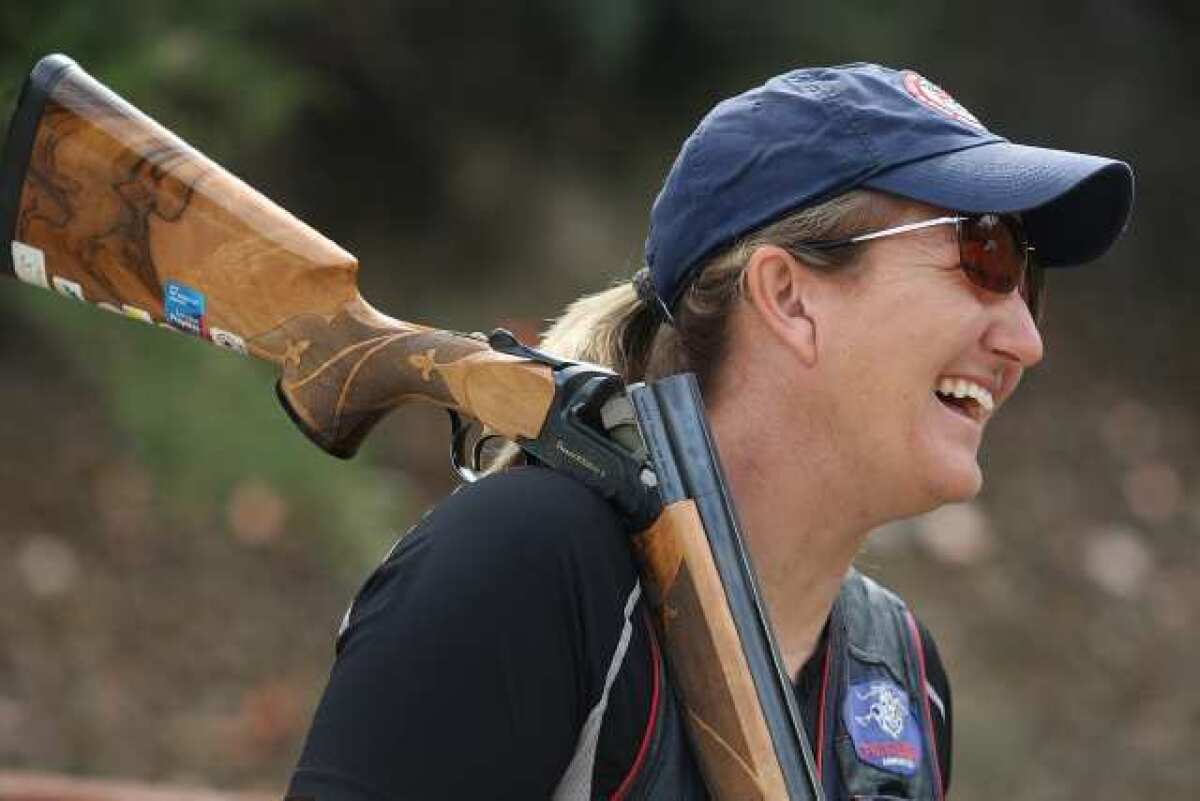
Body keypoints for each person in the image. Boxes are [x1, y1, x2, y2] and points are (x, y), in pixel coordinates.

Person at [285, 64, 1133, 800]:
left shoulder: (900, 676)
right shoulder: (526, 566)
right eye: (983, 254)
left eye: (1028, 280)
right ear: (789, 296)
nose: (1026, 339)